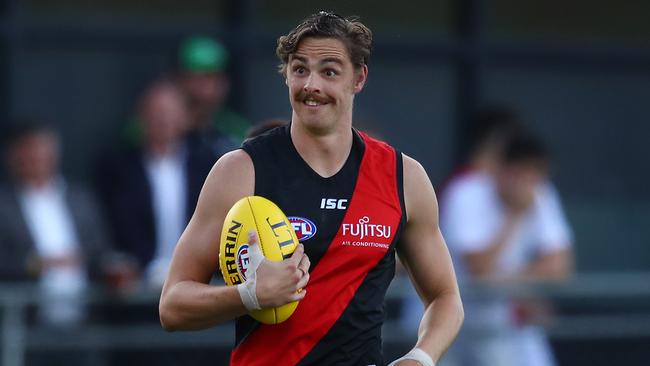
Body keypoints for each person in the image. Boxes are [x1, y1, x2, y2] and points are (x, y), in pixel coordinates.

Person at [159, 11, 463, 366]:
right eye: (300, 69)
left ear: (359, 78)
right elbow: (172, 306)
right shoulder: (240, 170)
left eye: (329, 71)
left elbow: (445, 297)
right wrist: (249, 296)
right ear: (286, 75)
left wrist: (421, 356)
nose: (311, 85)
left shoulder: (403, 176)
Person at [441, 134, 573, 366]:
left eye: (536, 174)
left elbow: (560, 266)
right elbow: (478, 270)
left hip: (507, 320)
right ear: (500, 169)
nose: (528, 183)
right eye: (520, 172)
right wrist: (514, 215)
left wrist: (513, 285)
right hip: (450, 321)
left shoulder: (541, 192)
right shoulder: (466, 193)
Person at [94, 80, 217, 287]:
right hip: (135, 286)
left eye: (170, 112)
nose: (163, 119)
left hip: (197, 281)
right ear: (141, 117)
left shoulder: (207, 166)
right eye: (156, 112)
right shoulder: (118, 168)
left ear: (185, 118)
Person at [0, 121, 111, 326]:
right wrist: (36, 264)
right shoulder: (5, 203)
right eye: (29, 152)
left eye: (42, 151)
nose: (36, 159)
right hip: (26, 325)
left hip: (84, 319)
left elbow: (100, 249)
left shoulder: (80, 198)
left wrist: (83, 260)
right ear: (15, 157)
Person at [175, 36, 251, 148]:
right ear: (180, 80)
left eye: (212, 77)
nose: (206, 87)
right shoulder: (157, 129)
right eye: (196, 77)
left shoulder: (235, 130)